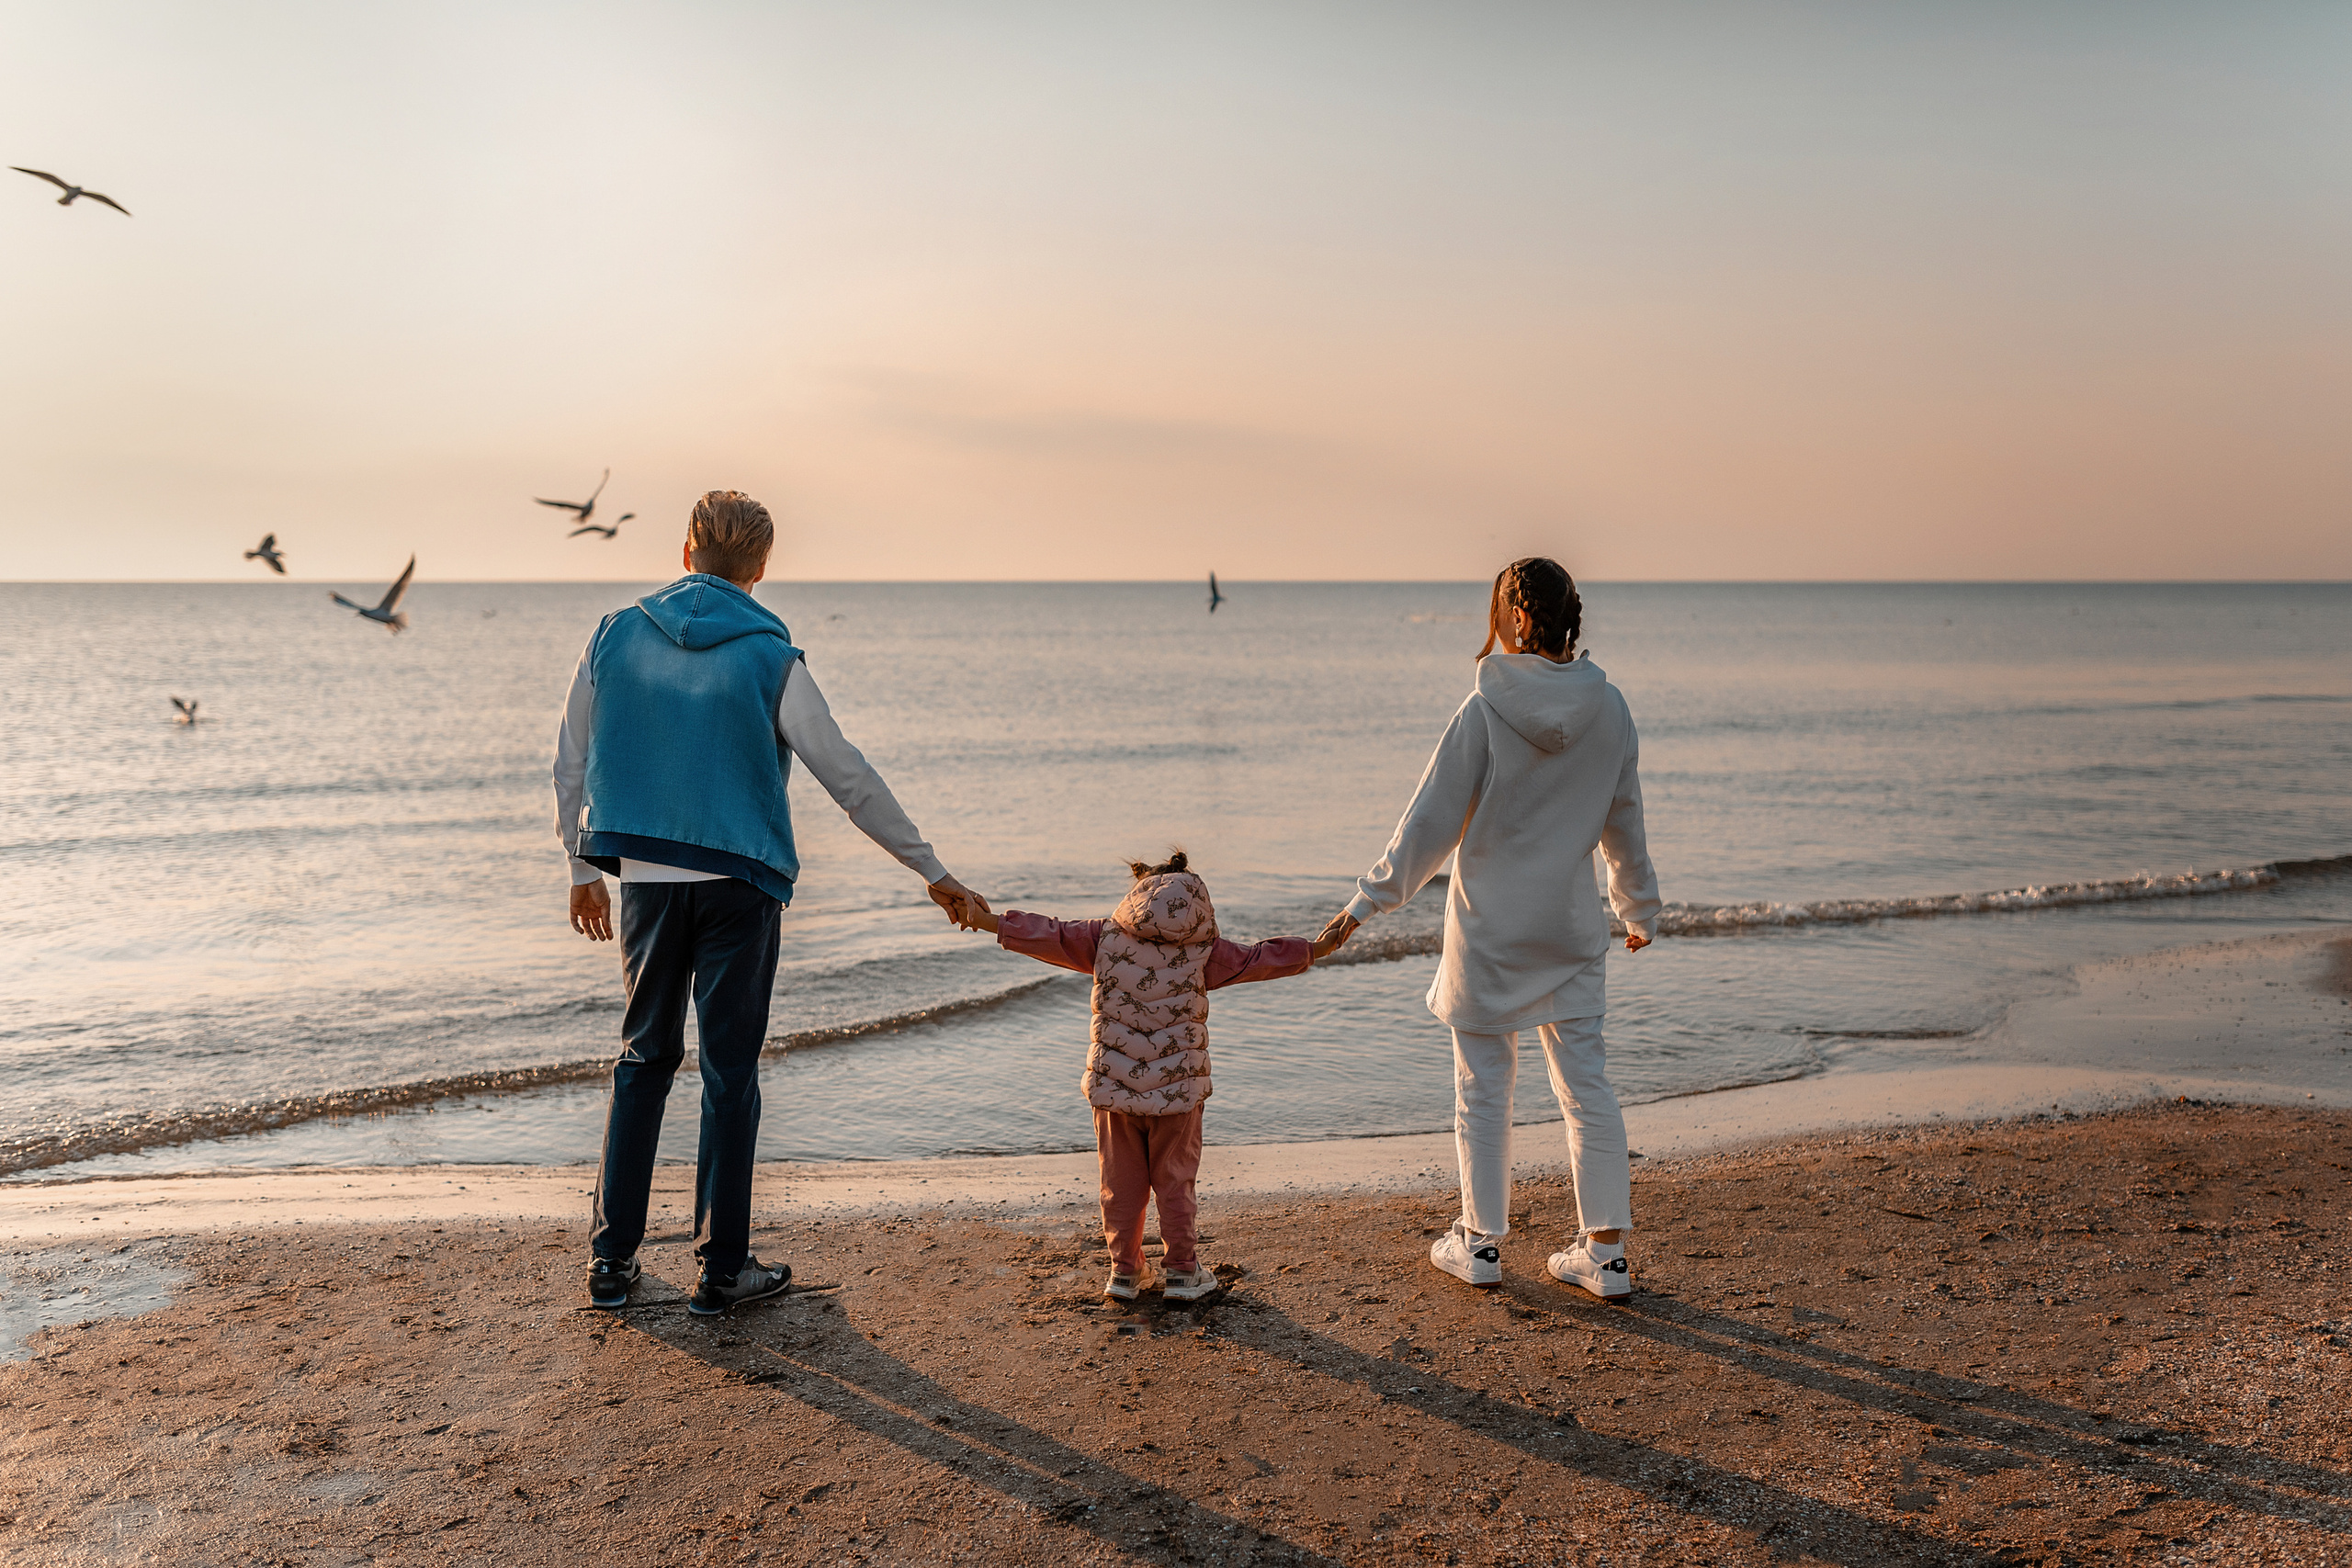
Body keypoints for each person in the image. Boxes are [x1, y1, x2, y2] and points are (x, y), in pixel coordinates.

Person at [554, 491, 987, 1315]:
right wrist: (930, 869)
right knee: (728, 1072)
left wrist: (580, 867)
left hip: (643, 880)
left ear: (685, 554)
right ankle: (722, 1270)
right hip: (741, 889)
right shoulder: (771, 655)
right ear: (759, 569)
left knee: (643, 1058)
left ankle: (611, 1262)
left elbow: (568, 760)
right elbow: (848, 776)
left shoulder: (613, 635)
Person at [1317, 557, 1660, 1300]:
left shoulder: (1484, 708)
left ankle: (1478, 1244)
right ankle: (1606, 1257)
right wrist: (1638, 910)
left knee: (1483, 1089)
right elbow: (1622, 822)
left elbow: (1429, 824)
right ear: (1572, 618)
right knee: (1587, 1088)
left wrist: (1364, 904)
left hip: (1491, 932)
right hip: (1568, 930)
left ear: (1510, 617)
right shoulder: (1612, 708)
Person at [964, 852, 1343, 1301]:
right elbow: (1258, 958)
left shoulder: (1102, 937)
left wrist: (988, 921)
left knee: (1119, 1185)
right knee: (1175, 1180)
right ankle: (1182, 1272)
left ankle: (1125, 1272)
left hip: (1114, 1089)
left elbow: (1050, 934)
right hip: (1178, 1094)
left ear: (1139, 893)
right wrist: (1316, 949)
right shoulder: (1205, 951)